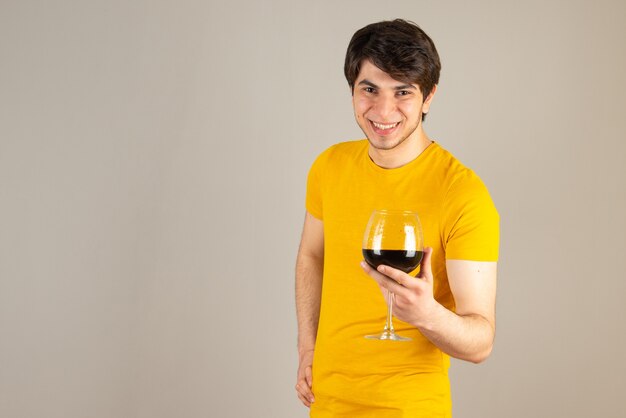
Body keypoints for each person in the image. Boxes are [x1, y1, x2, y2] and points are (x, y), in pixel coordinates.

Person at [295, 19, 499, 417]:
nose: (383, 110)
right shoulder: (329, 167)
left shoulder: (463, 194)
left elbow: (481, 342)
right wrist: (307, 346)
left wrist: (427, 315)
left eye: (402, 92)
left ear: (428, 98)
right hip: (327, 404)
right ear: (352, 90)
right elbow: (311, 256)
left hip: (409, 408)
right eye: (369, 89)